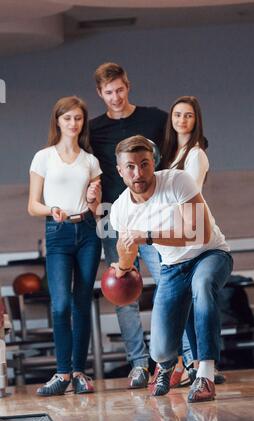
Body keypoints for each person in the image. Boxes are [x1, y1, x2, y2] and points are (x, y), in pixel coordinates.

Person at [109, 135, 233, 402]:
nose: (138, 172)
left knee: (202, 285)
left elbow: (200, 233)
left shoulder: (178, 180)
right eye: (130, 166)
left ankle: (205, 375)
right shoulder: (119, 209)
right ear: (120, 171)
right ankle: (165, 366)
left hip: (210, 254)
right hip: (173, 267)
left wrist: (148, 236)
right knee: (162, 350)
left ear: (153, 162)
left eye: (144, 164)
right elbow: (128, 252)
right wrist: (121, 267)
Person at [89, 62, 168, 388]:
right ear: (100, 93)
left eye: (120, 89)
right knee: (124, 293)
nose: (116, 97)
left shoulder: (155, 118)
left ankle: (179, 361)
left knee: (169, 283)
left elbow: (178, 156)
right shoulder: (93, 130)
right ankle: (138, 365)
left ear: (128, 86)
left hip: (153, 216)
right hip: (113, 219)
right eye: (109, 92)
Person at [28, 96, 102, 396]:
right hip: (57, 231)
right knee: (60, 305)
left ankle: (79, 371)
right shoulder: (43, 157)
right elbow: (33, 205)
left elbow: (97, 208)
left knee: (82, 302)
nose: (73, 123)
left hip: (87, 231)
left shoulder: (90, 161)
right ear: (57, 120)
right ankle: (61, 373)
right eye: (67, 118)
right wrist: (53, 209)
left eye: (78, 118)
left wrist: (95, 198)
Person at [161, 95, 225, 386]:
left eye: (188, 115)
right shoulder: (171, 153)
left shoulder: (196, 154)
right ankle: (196, 364)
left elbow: (190, 194)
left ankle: (207, 366)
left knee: (200, 290)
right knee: (183, 301)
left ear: (196, 120)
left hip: (199, 240)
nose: (182, 120)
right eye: (177, 115)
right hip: (179, 246)